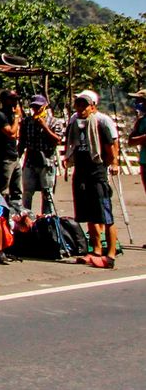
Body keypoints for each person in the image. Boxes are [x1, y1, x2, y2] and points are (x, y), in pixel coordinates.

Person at [63, 89, 119, 263]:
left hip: (97, 173)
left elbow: (111, 149)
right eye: (78, 104)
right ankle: (95, 251)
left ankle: (109, 255)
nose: (81, 108)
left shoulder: (101, 123)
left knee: (105, 215)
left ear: (92, 107)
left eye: (84, 105)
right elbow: (69, 144)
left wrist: (113, 164)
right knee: (88, 214)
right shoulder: (75, 123)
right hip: (81, 173)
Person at [21, 94, 64, 215]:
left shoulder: (54, 122)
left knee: (47, 193)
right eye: (34, 107)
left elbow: (58, 140)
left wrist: (45, 127)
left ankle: (47, 217)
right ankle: (27, 217)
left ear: (45, 106)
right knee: (27, 192)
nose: (36, 109)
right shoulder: (27, 121)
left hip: (47, 161)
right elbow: (23, 141)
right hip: (31, 161)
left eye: (39, 107)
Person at [0, 90, 24, 214]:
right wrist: (17, 116)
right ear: (4, 101)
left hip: (14, 156)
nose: (15, 102)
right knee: (2, 191)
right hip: (4, 157)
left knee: (17, 190)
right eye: (12, 99)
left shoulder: (11, 115)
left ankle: (15, 215)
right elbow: (11, 133)